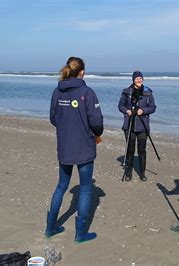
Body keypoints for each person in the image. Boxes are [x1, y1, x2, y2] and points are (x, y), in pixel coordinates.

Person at [47, 57, 104, 243]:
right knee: (86, 188)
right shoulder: (86, 92)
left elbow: (54, 118)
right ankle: (78, 233)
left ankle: (50, 228)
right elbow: (96, 122)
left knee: (62, 185)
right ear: (82, 72)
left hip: (65, 146)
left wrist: (68, 127)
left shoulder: (58, 91)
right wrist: (94, 132)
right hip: (82, 147)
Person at [118, 71, 156, 181]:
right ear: (133, 80)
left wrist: (143, 110)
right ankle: (129, 173)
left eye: (141, 78)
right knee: (130, 150)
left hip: (143, 126)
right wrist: (127, 111)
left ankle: (142, 173)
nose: (139, 80)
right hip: (129, 125)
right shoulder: (126, 92)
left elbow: (153, 107)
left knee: (142, 150)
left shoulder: (148, 92)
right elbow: (120, 106)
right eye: (137, 78)